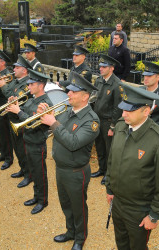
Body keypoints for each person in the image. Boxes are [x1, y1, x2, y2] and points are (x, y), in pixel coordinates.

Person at [105, 82, 159, 250]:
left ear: (146, 111)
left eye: (130, 110)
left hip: (139, 209)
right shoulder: (122, 126)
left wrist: (154, 215)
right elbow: (112, 160)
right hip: (118, 203)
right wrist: (110, 188)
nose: (124, 114)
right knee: (121, 242)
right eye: (123, 109)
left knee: (137, 246)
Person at [39, 72, 100, 250]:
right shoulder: (67, 112)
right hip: (61, 168)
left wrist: (53, 123)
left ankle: (80, 238)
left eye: (73, 91)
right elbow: (54, 133)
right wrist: (46, 116)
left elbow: (73, 143)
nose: (68, 94)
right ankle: (70, 231)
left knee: (78, 206)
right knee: (65, 203)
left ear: (85, 96)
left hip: (76, 171)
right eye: (69, 91)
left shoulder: (91, 121)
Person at [7, 69, 53, 214]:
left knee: (40, 173)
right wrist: (13, 106)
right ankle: (36, 196)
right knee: (33, 171)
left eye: (32, 84)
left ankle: (43, 201)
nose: (29, 87)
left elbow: (32, 121)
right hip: (28, 139)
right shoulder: (32, 98)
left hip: (37, 142)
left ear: (40, 86)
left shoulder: (46, 103)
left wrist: (18, 112)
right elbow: (23, 115)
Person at [0, 55, 32, 188]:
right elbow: (11, 94)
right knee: (16, 147)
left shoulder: (28, 84)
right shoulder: (16, 80)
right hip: (12, 117)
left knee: (23, 148)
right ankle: (23, 169)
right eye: (14, 67)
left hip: (20, 118)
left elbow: (17, 97)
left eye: (17, 67)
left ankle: (29, 174)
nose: (14, 69)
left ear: (25, 70)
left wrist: (3, 86)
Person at [91, 54, 123, 185]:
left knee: (109, 149)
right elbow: (94, 98)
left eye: (104, 67)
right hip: (97, 119)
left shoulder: (116, 84)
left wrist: (113, 126)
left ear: (112, 68)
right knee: (99, 146)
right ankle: (101, 169)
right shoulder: (99, 80)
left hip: (108, 121)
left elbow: (118, 108)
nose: (101, 69)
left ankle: (109, 175)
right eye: (100, 66)